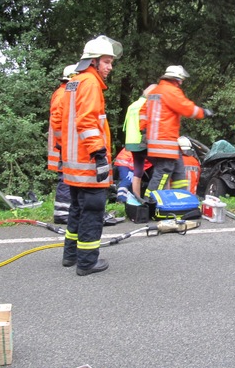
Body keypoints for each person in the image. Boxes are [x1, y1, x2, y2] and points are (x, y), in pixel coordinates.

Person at [51, 35, 122, 276]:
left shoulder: (72, 84)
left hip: (73, 165)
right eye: (106, 61)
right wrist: (100, 155)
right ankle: (88, 261)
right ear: (93, 62)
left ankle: (70, 256)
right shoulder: (90, 84)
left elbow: (61, 123)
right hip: (88, 163)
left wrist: (63, 151)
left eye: (111, 62)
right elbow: (88, 122)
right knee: (93, 211)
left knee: (76, 211)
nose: (110, 67)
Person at [139, 65, 213, 197]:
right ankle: (150, 201)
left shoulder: (155, 92)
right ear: (177, 80)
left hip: (156, 142)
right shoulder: (171, 91)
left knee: (179, 171)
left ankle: (182, 197)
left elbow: (143, 112)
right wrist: (203, 112)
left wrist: (143, 128)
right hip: (165, 143)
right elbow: (186, 108)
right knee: (163, 172)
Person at [47, 64, 77, 224]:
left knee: (67, 176)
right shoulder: (63, 94)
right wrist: (63, 143)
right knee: (66, 177)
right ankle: (62, 212)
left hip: (64, 144)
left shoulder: (64, 92)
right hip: (64, 145)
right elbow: (58, 120)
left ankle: (66, 210)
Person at [122, 83, 157, 199]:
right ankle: (160, 199)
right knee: (162, 168)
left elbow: (126, 126)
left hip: (131, 142)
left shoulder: (132, 105)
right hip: (143, 142)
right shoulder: (147, 104)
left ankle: (137, 199)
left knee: (137, 171)